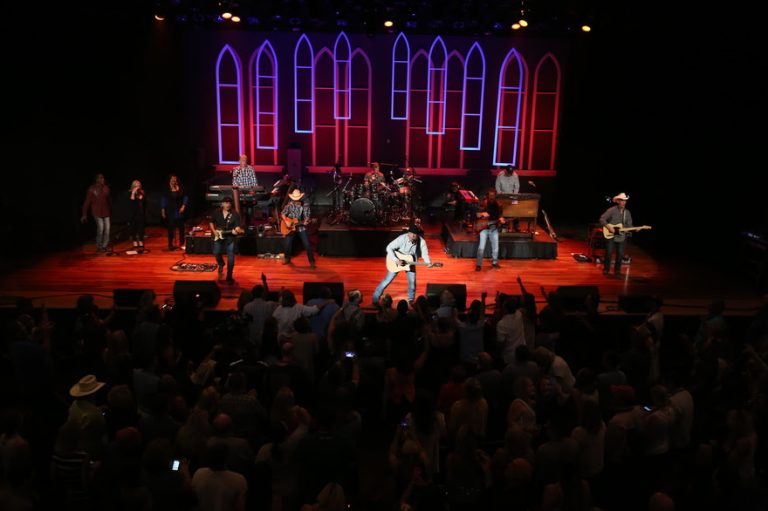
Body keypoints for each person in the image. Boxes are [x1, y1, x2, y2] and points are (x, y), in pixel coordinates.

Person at [372, 224, 432, 305]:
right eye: (411, 233)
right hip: (396, 261)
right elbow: (389, 248)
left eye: (415, 234)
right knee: (386, 281)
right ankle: (375, 299)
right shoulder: (402, 238)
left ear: (418, 235)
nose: (413, 236)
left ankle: (411, 300)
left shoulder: (422, 242)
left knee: (412, 283)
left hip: (410, 262)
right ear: (408, 233)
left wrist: (428, 262)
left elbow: (425, 254)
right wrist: (396, 260)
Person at [209, 196, 242, 283]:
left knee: (231, 257)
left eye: (229, 203)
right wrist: (214, 231)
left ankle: (229, 276)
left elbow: (238, 227)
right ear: (222, 204)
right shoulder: (216, 212)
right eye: (226, 203)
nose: (228, 205)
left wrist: (237, 230)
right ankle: (221, 263)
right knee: (216, 252)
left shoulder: (235, 214)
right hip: (218, 236)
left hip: (230, 237)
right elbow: (211, 222)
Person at [599, 192, 633, 276]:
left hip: (621, 236)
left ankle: (617, 271)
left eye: (625, 201)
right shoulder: (611, 210)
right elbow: (602, 219)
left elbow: (629, 225)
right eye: (622, 200)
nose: (624, 202)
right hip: (611, 235)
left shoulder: (627, 213)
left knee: (620, 254)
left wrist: (634, 229)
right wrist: (609, 227)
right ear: (618, 201)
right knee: (609, 252)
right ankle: (606, 269)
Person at [281, 188, 316, 268]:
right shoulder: (289, 204)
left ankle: (311, 261)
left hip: (300, 227)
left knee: (307, 244)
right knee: (287, 244)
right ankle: (287, 258)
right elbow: (282, 213)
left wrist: (306, 221)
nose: (295, 200)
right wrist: (286, 221)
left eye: (297, 199)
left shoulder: (305, 205)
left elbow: (307, 217)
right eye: (294, 199)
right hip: (289, 227)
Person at [475, 188, 505, 271]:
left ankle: (494, 262)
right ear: (488, 196)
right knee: (481, 247)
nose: (491, 197)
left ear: (495, 196)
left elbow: (500, 216)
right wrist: (481, 213)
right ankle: (478, 264)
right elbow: (477, 215)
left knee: (495, 247)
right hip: (484, 228)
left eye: (493, 196)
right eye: (490, 196)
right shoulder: (484, 203)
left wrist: (501, 219)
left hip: (493, 228)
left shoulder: (499, 205)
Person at [80, 173, 112, 252]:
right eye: (100, 178)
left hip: (106, 211)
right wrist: (84, 214)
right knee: (101, 228)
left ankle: (104, 246)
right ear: (96, 179)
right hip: (96, 212)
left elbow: (109, 200)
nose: (102, 179)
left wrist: (111, 209)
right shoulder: (92, 189)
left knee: (107, 229)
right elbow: (87, 202)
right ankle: (99, 246)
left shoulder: (106, 188)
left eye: (103, 178)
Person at [160, 174, 189, 251]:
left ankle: (182, 243)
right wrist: (163, 210)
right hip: (170, 210)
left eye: (175, 179)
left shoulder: (180, 187)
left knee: (181, 227)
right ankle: (170, 244)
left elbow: (185, 196)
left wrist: (183, 206)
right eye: (172, 179)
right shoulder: (166, 188)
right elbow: (163, 199)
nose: (174, 180)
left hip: (179, 210)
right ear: (170, 180)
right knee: (171, 227)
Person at [127, 180, 146, 252]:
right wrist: (133, 192)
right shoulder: (130, 192)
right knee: (134, 228)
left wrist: (140, 194)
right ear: (133, 185)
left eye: (138, 184)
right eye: (136, 184)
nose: (137, 185)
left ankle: (141, 240)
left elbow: (143, 201)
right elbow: (131, 201)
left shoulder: (142, 192)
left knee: (141, 228)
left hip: (140, 213)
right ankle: (134, 241)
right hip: (133, 213)